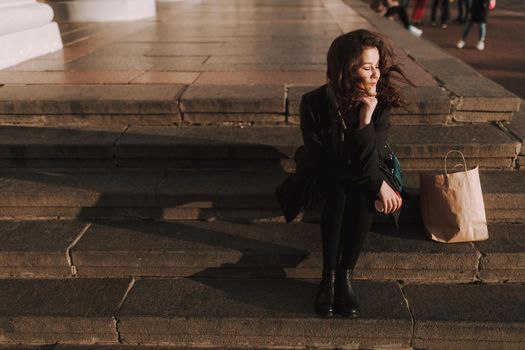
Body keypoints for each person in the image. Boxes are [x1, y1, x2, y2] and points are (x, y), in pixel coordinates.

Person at [299, 30, 404, 318]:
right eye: (367, 67)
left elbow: (371, 156)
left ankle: (342, 277)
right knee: (343, 188)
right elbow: (321, 159)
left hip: (362, 175)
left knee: (356, 191)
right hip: (326, 174)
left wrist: (365, 118)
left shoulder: (379, 103)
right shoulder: (314, 102)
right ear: (346, 68)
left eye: (377, 66)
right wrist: (378, 185)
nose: (375, 75)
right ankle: (328, 278)